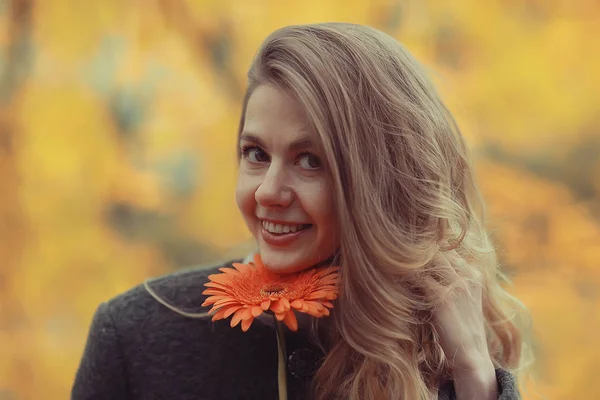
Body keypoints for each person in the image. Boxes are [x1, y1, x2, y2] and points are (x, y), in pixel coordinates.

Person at [72, 22, 532, 400]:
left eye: (309, 160)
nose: (269, 191)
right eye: (255, 153)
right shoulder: (136, 334)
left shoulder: (442, 343)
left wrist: (475, 373)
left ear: (380, 183)